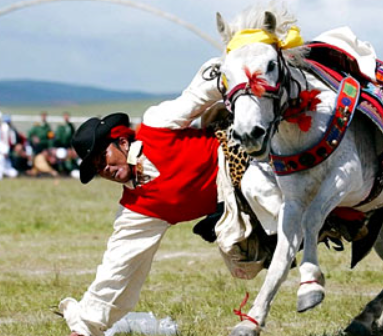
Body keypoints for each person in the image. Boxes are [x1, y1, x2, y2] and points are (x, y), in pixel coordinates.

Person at [59, 58, 281, 336]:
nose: (102, 168)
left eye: (101, 157)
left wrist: (238, 64)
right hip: (231, 207)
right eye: (95, 168)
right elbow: (117, 268)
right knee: (242, 263)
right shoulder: (136, 208)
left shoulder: (156, 125)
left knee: (264, 193)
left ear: (123, 141)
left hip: (245, 157)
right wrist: (84, 327)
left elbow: (199, 94)